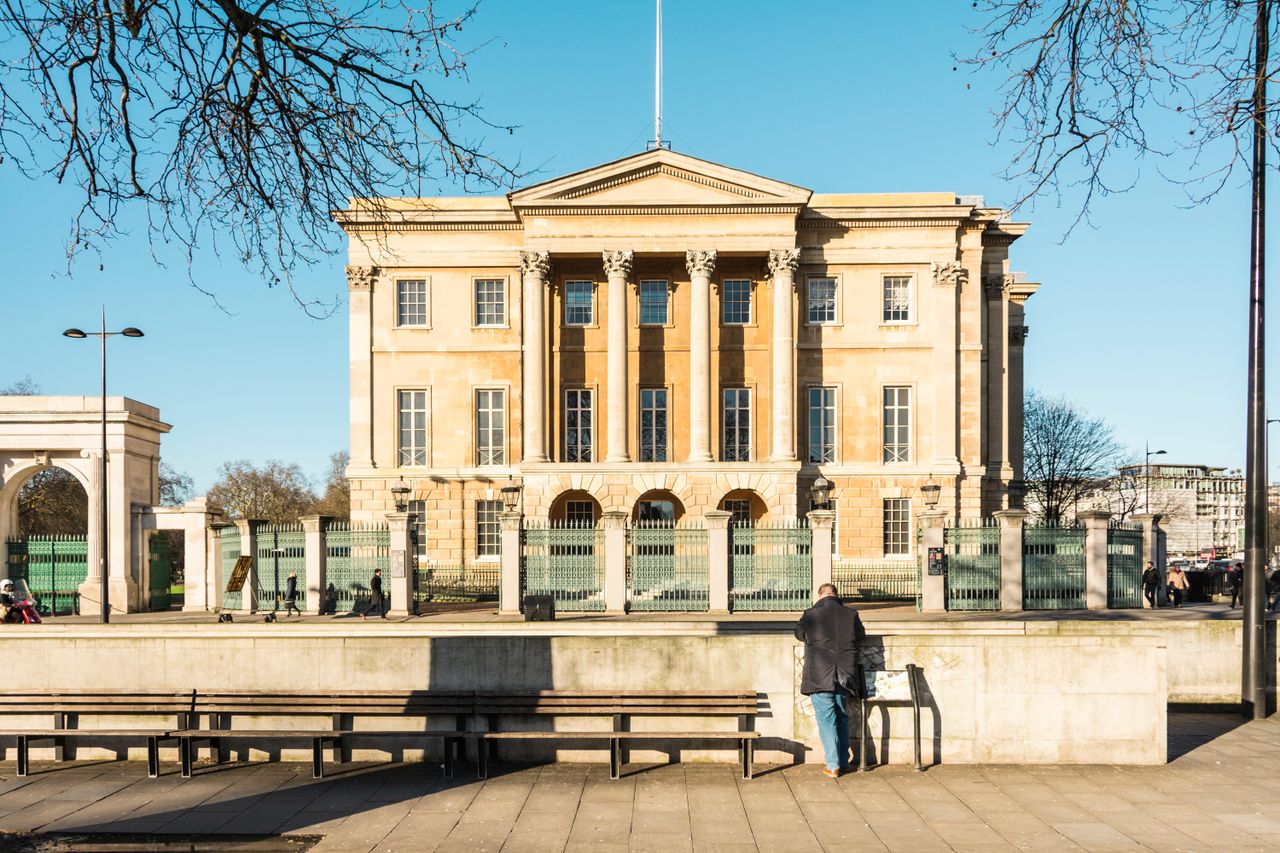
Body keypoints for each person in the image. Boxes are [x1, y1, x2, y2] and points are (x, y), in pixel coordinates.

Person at [794, 582, 865, 778]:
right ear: (836, 595)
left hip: (820, 674)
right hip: (845, 675)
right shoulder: (851, 614)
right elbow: (860, 635)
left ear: (820, 596)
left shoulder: (811, 614)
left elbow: (799, 634)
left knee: (827, 720)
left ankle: (833, 764)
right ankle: (843, 761)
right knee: (842, 716)